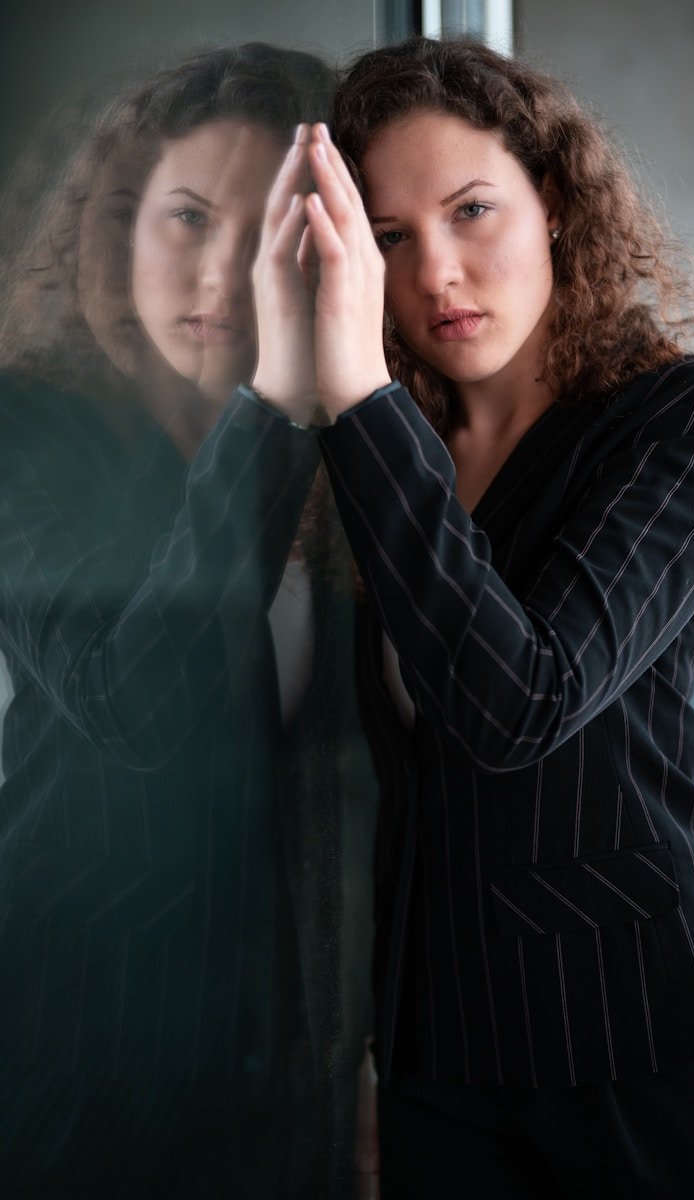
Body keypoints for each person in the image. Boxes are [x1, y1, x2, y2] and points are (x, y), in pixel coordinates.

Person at [254, 36, 694, 1198]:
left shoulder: (692, 423)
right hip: (442, 1051)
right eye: (389, 238)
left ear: (550, 200)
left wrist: (355, 395)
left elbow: (522, 702)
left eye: (470, 210)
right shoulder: (377, 449)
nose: (435, 271)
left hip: (650, 1031)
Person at [0, 43, 374, 1198]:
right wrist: (271, 408)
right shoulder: (27, 431)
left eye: (264, 225)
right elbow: (137, 698)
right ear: (119, 225)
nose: (219, 276)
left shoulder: (351, 460)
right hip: (76, 1049)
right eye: (185, 217)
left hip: (287, 1075)